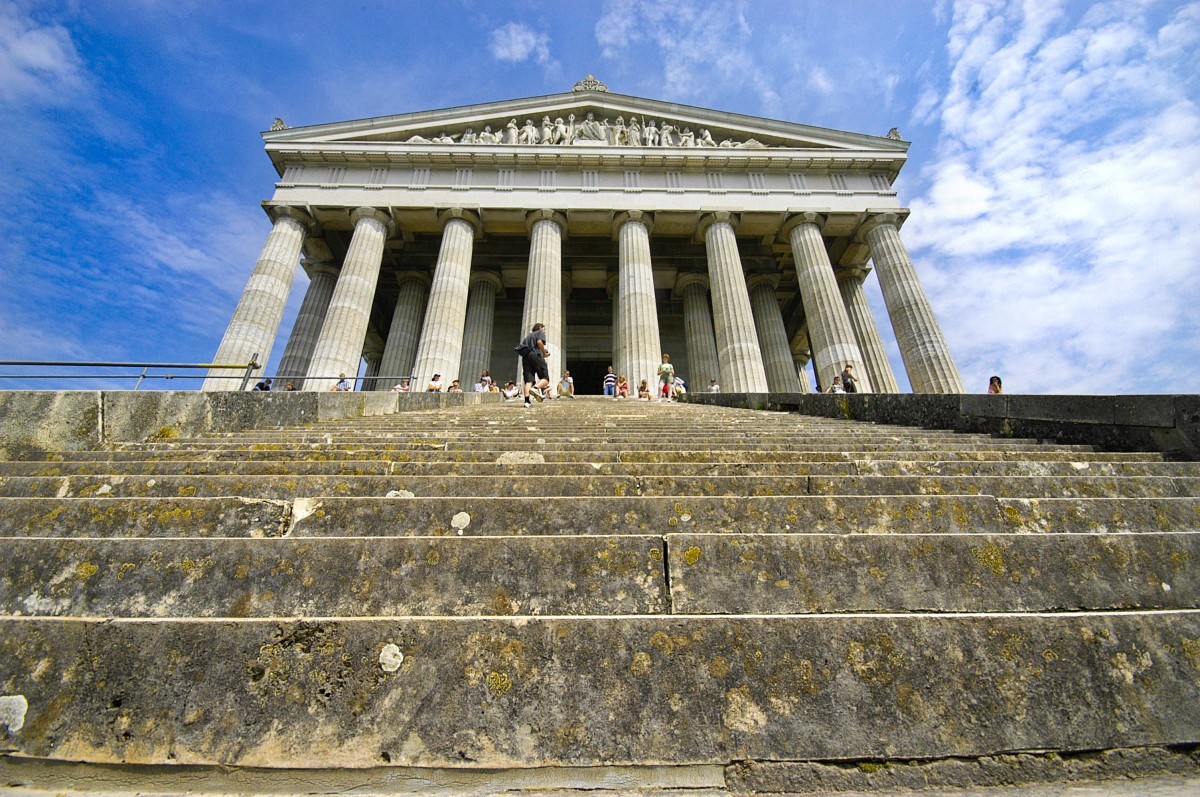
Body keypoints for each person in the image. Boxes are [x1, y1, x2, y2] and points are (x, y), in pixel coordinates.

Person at [518, 322, 551, 408]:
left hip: (526, 358)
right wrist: (544, 353)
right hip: (535, 355)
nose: (545, 332)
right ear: (540, 327)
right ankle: (535, 388)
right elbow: (539, 342)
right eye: (544, 329)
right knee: (545, 378)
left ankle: (527, 401)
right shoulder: (540, 333)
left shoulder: (527, 337)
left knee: (529, 380)